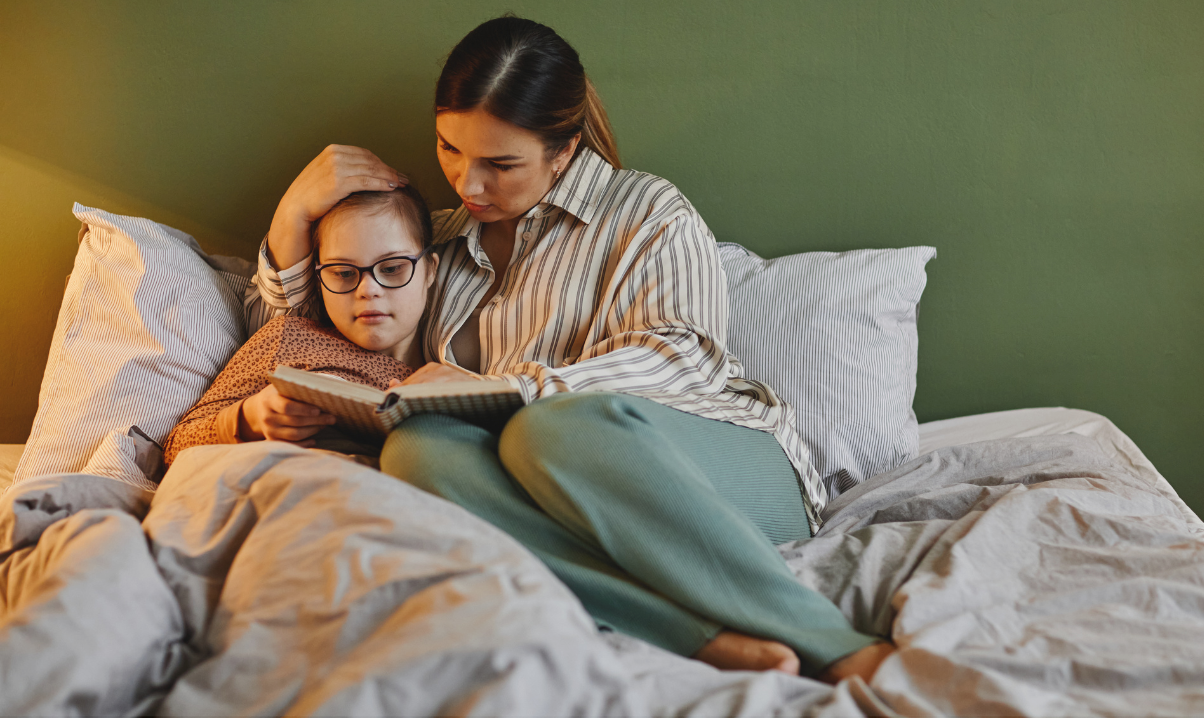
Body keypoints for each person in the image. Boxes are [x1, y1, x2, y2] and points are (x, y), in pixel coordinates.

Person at [242, 15, 895, 683]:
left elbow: (687, 356)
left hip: (726, 467)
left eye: (500, 164)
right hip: (551, 484)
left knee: (550, 425)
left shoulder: (647, 213)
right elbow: (283, 334)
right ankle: (689, 634)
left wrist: (525, 387)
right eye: (449, 150)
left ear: (563, 150)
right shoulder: (430, 247)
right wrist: (294, 214)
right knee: (416, 451)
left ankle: (833, 641)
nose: (468, 185)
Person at [163, 185, 437, 464]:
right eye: (343, 272)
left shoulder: (447, 385)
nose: (368, 289)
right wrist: (249, 418)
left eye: (391, 268)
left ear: (430, 270)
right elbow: (176, 448)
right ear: (319, 280)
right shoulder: (288, 337)